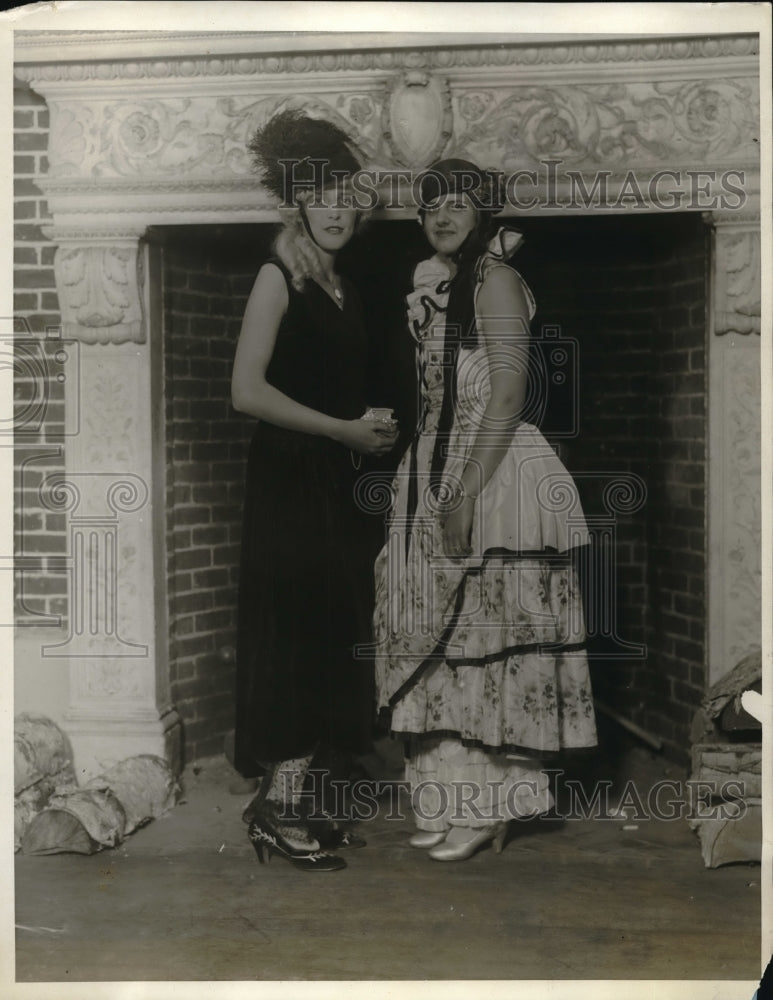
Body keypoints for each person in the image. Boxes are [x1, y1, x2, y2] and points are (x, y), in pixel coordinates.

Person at [373, 159, 597, 862]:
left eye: (458, 205)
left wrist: (462, 495)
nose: (442, 216)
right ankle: (446, 794)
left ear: (483, 215)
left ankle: (494, 803)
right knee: (438, 639)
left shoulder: (495, 280)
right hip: (433, 459)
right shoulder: (435, 285)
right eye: (431, 205)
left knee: (484, 640)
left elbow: (505, 397)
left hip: (491, 470)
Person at [231, 110, 399, 872]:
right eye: (321, 195)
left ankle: (288, 803)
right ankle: (274, 808)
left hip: (332, 481)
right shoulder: (278, 275)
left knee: (328, 636)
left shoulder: (342, 286)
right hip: (288, 481)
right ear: (298, 203)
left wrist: (368, 432)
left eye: (346, 195)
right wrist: (341, 430)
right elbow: (245, 392)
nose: (335, 209)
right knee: (294, 637)